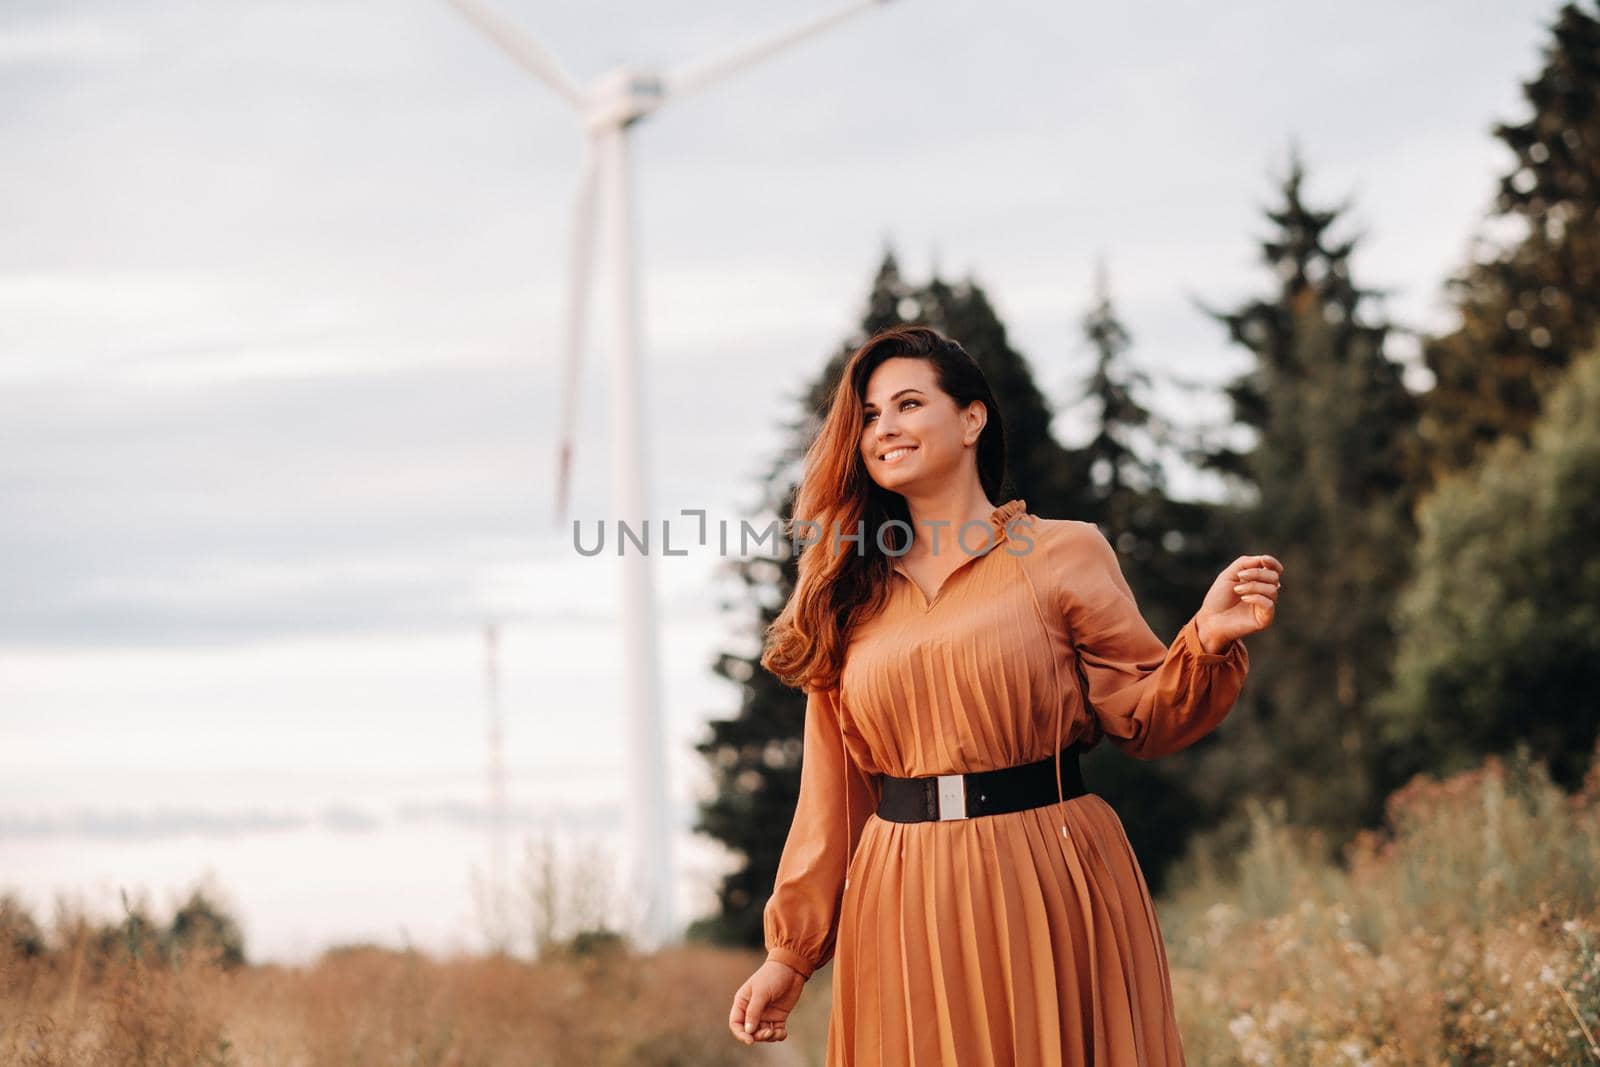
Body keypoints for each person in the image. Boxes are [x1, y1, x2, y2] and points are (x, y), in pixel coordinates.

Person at [726, 324, 1282, 1064]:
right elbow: (831, 794)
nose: (883, 426)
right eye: (868, 414)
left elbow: (1144, 716)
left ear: (971, 418)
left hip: (1049, 873)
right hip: (902, 896)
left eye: (908, 402)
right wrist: (789, 954)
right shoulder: (844, 589)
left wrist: (1205, 639)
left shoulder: (1062, 551)